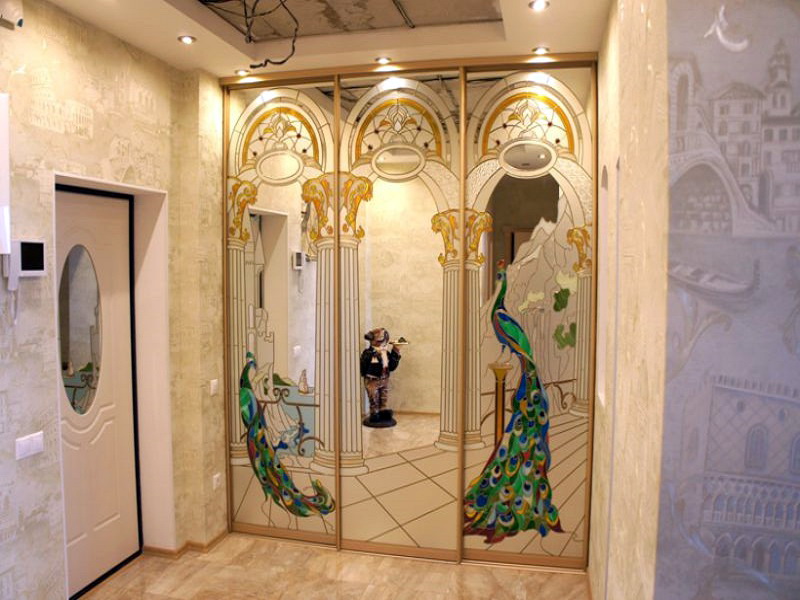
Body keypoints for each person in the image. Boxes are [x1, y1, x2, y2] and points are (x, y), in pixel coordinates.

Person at [360, 327, 401, 427]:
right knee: (374, 398)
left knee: (384, 397)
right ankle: (374, 413)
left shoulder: (385, 353)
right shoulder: (368, 353)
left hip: (384, 379)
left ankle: (383, 411)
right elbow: (363, 366)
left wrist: (396, 351)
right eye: (381, 339)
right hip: (372, 380)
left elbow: (392, 366)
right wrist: (375, 354)